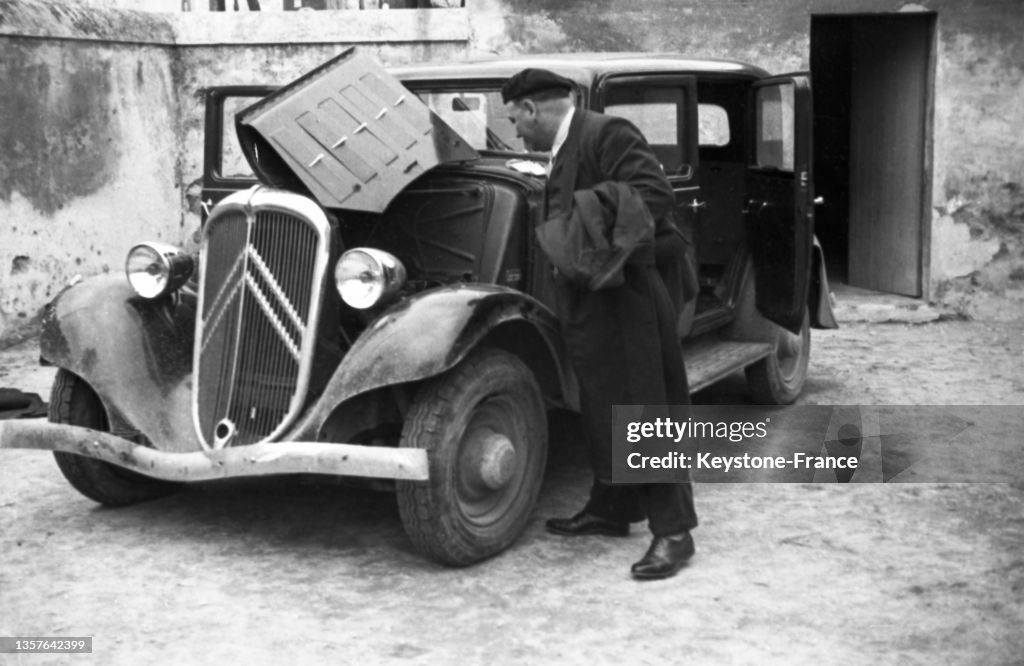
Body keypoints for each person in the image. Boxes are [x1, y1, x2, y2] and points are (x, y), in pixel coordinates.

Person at [502, 68, 699, 580]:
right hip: (593, 297)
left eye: (515, 120)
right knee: (601, 404)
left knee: (644, 408)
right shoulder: (566, 142)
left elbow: (654, 196)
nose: (516, 132)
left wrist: (576, 227)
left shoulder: (606, 132)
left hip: (627, 297)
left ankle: (675, 533)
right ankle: (612, 509)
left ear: (532, 108)